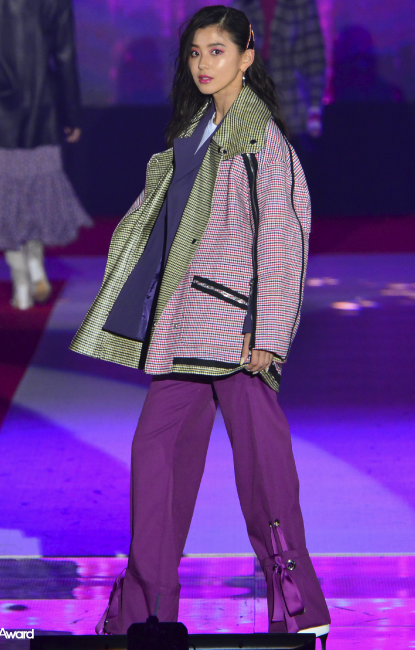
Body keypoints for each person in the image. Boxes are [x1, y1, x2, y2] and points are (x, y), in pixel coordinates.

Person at [70, 5, 330, 647]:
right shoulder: (196, 130)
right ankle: (148, 609)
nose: (203, 63)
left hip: (237, 331)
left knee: (263, 472)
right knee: (155, 454)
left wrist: (268, 331)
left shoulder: (260, 139)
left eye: (217, 51)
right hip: (187, 325)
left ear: (247, 57)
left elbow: (283, 238)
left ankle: (298, 605)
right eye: (194, 52)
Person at [0, 0, 92, 310]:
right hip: (42, 113)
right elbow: (65, 56)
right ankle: (35, 267)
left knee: (2, 204)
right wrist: (71, 114)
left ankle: (21, 286)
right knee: (36, 199)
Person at [230, 0, 326, 167]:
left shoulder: (300, 4)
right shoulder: (242, 4)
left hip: (292, 106)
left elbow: (314, 57)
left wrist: (315, 107)